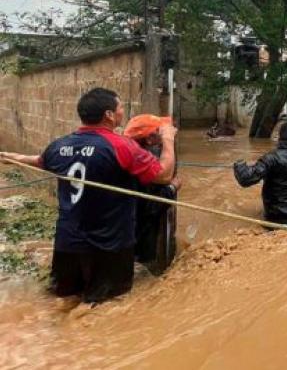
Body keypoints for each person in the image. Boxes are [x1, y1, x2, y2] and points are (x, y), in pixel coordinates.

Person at [0, 88, 177, 304]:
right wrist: (168, 139)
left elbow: (39, 161)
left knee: (63, 303)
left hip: (67, 245)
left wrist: (14, 157)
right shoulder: (123, 146)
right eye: (120, 107)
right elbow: (164, 174)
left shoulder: (59, 146)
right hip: (109, 248)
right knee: (107, 307)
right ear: (109, 115)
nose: (122, 111)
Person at [123, 114, 181, 276]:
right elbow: (150, 207)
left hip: (120, 234)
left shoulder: (125, 153)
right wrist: (172, 188)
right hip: (139, 241)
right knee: (146, 277)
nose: (164, 132)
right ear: (149, 140)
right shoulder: (142, 164)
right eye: (159, 131)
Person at [233, 122, 287, 227]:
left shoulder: (271, 158)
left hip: (276, 219)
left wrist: (239, 165)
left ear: (280, 137)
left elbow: (246, 179)